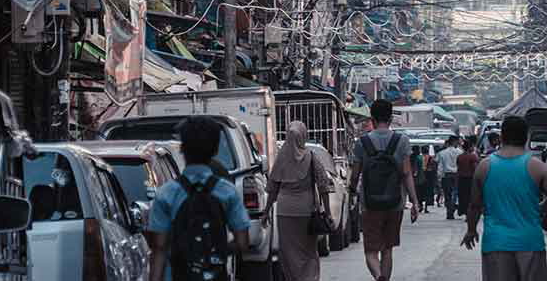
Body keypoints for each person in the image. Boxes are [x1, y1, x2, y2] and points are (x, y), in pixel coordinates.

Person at [148, 116, 251, 281]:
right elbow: (242, 242)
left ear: (182, 149)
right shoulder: (227, 192)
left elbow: (159, 248)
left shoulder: (166, 193)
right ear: (216, 150)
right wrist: (214, 251)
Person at [461, 116, 547, 281]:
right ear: (526, 136)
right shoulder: (536, 166)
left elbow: (474, 205)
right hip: (529, 242)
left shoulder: (484, 166)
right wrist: (539, 210)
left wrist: (471, 230)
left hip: (496, 243)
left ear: (502, 136)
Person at [349, 100, 421, 281]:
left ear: (372, 119)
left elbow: (355, 175)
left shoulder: (362, 143)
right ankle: (384, 278)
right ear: (390, 118)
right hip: (395, 203)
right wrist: (414, 202)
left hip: (370, 204)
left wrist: (351, 193)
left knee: (370, 251)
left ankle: (378, 276)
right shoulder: (402, 141)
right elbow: (406, 174)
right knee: (387, 249)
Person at [262, 121, 333, 281]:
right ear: (303, 136)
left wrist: (266, 212)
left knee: (288, 252)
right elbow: (323, 186)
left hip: (284, 212)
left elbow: (272, 188)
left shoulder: (281, 158)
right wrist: (327, 212)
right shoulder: (311, 157)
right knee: (308, 250)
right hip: (306, 211)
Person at [436, 135, 464, 219]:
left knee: (447, 194)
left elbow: (440, 166)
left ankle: (449, 212)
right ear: (454, 142)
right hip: (457, 175)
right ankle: (453, 208)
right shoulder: (460, 152)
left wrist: (439, 177)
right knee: (455, 193)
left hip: (446, 176)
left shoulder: (442, 153)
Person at [456, 136, 480, 220]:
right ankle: (468, 213)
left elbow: (458, 168)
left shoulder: (460, 157)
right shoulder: (473, 157)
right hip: (470, 179)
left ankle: (465, 212)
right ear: (470, 147)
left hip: (461, 179)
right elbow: (475, 168)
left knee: (463, 196)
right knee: (470, 197)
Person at [423, 146, 439, 210]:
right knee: (429, 191)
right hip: (429, 176)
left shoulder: (421, 157)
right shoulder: (431, 158)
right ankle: (426, 205)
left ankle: (421, 205)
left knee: (423, 191)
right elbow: (434, 167)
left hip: (423, 176)